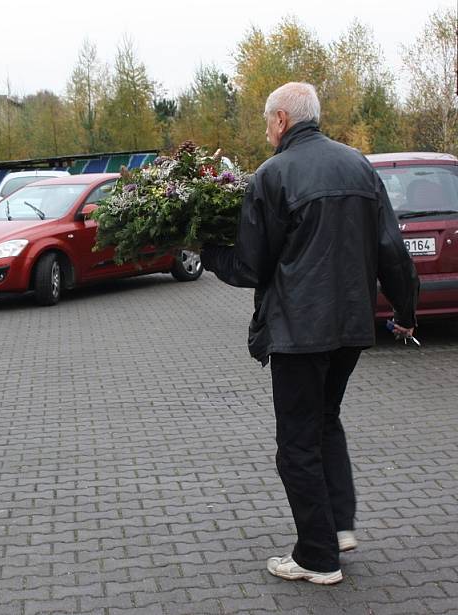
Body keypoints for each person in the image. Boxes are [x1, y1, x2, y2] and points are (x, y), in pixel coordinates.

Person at [201, 82, 419, 585]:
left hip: (300, 333)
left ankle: (317, 558)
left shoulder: (273, 174)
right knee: (325, 422)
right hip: (351, 329)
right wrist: (405, 312)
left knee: (297, 444)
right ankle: (338, 526)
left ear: (280, 120)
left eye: (266, 122)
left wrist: (206, 251)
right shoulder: (359, 165)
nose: (266, 131)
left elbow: (252, 267)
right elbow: (392, 249)